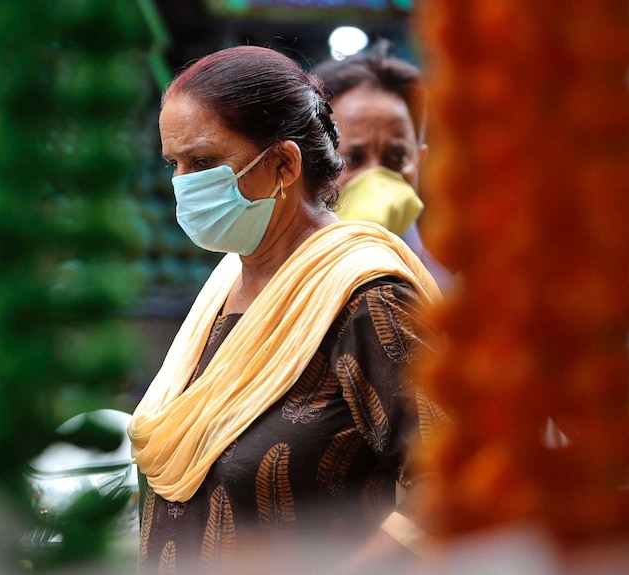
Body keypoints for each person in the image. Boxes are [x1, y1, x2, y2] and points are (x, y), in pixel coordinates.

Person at [128, 45, 444, 574]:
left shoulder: (367, 297)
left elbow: (453, 484)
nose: (184, 183)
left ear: (282, 164)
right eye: (174, 164)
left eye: (203, 162)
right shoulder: (229, 278)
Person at [314, 44, 455, 292]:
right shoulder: (265, 279)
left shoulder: (446, 298)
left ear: (420, 160)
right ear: (312, 162)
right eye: (353, 158)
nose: (375, 177)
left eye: (397, 157)